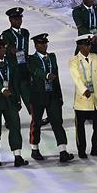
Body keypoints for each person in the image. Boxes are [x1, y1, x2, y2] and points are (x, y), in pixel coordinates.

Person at [27, 33, 74, 163]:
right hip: (38, 96)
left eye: (45, 43)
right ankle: (34, 148)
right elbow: (36, 71)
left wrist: (59, 96)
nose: (44, 45)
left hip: (52, 95)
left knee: (57, 122)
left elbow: (56, 77)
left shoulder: (52, 57)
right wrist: (47, 75)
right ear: (36, 45)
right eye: (41, 43)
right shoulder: (31, 59)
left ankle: (63, 150)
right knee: (36, 124)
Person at [0, 36, 28, 168]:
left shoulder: (11, 62)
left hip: (10, 100)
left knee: (15, 125)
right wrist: (2, 89)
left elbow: (15, 82)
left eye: (3, 47)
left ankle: (17, 155)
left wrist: (18, 99)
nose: (2, 49)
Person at [70, 35, 97, 159]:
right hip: (82, 101)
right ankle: (81, 150)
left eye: (89, 45)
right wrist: (84, 90)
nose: (88, 47)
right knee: (80, 129)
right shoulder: (74, 61)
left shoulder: (95, 57)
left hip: (96, 100)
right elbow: (76, 78)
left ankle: (96, 149)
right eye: (85, 45)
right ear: (79, 46)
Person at [1, 7, 31, 114]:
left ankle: (35, 118)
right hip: (12, 70)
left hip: (24, 68)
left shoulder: (25, 32)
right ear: (10, 20)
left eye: (20, 19)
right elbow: (11, 50)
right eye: (15, 19)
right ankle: (11, 119)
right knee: (13, 95)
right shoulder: (6, 34)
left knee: (28, 94)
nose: (18, 21)